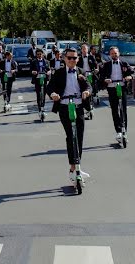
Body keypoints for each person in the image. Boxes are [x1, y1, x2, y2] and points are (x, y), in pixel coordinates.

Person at [46, 47, 91, 181]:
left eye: (75, 58)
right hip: (65, 107)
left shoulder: (81, 71)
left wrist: (87, 92)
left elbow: (89, 86)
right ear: (64, 59)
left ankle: (76, 167)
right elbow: (50, 87)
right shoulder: (59, 73)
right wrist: (53, 94)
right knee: (71, 136)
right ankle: (74, 166)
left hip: (78, 106)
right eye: (70, 58)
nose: (72, 60)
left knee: (79, 137)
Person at [99, 46, 135, 142]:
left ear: (118, 53)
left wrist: (129, 77)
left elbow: (133, 73)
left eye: (115, 53)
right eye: (112, 53)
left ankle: (124, 131)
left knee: (123, 109)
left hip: (122, 87)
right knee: (115, 110)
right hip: (112, 88)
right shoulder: (106, 65)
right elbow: (101, 77)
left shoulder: (124, 63)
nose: (114, 55)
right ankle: (118, 131)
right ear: (110, 55)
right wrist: (105, 80)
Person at [79, 43, 99, 116]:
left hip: (90, 74)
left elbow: (95, 64)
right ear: (81, 50)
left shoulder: (91, 57)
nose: (84, 50)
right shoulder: (79, 58)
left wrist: (96, 69)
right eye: (83, 49)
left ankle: (91, 105)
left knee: (90, 90)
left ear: (87, 50)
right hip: (82, 76)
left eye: (85, 49)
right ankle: (86, 107)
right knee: (83, 90)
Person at [31, 48, 50, 114]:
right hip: (37, 79)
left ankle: (43, 107)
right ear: (36, 55)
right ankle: (39, 108)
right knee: (38, 94)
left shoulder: (47, 61)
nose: (39, 55)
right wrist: (33, 72)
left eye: (40, 54)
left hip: (44, 79)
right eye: (38, 54)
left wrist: (49, 72)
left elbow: (49, 69)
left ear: (42, 54)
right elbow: (31, 70)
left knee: (44, 94)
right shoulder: (33, 62)